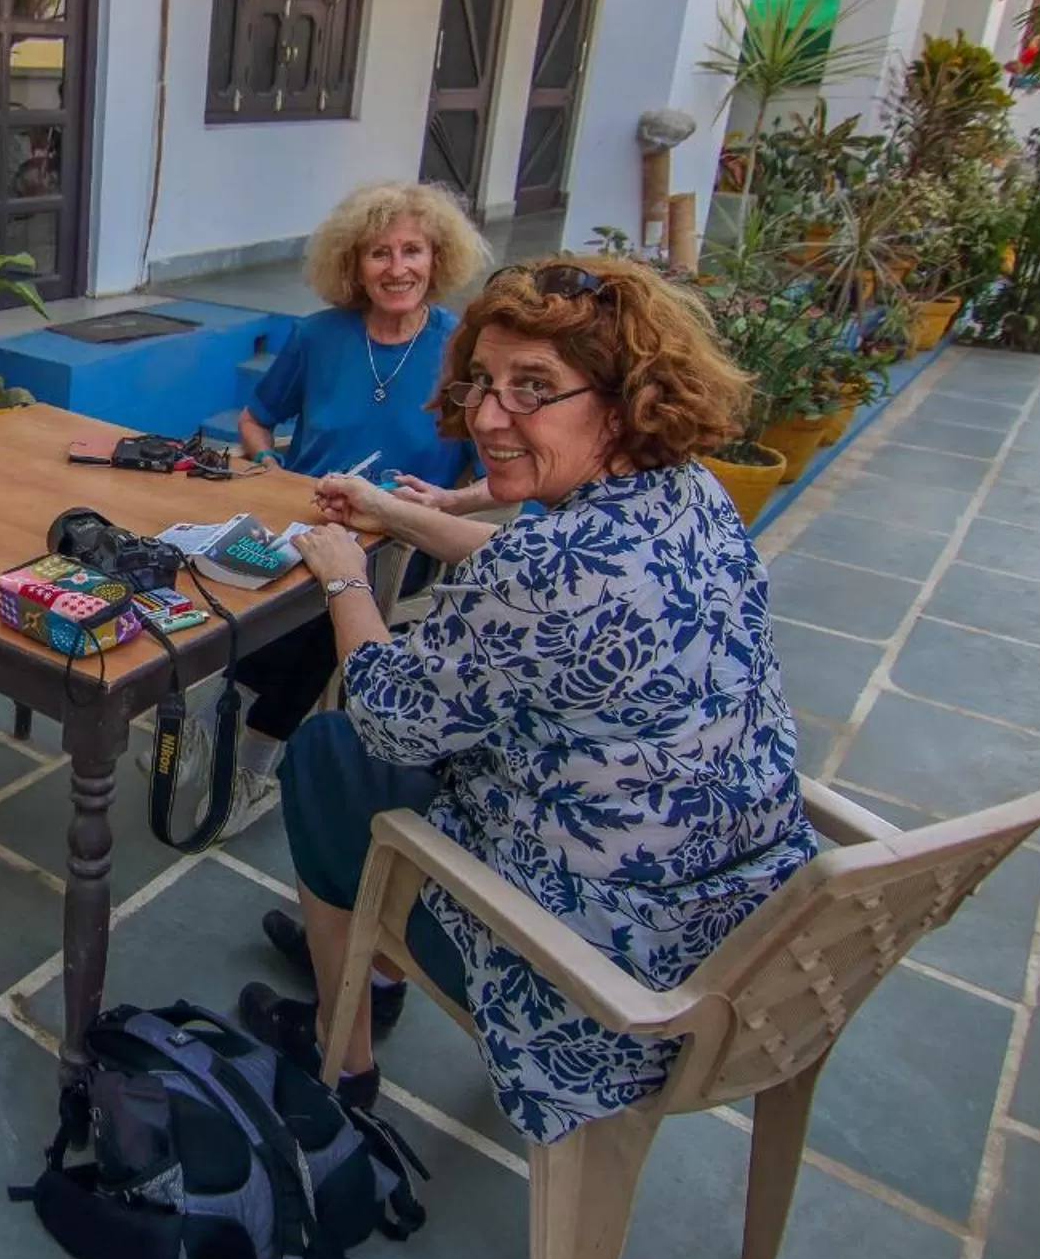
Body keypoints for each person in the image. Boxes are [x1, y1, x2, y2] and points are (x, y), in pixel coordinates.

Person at [239, 257, 818, 1144]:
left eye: (534, 387)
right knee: (408, 761)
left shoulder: (544, 568)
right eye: (483, 382)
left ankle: (341, 1049)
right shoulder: (693, 494)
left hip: (599, 983)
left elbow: (390, 715)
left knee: (332, 754)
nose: (487, 415)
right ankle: (369, 961)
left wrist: (345, 576)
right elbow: (552, 581)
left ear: (623, 400)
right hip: (740, 931)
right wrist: (399, 517)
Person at [215, 183, 489, 814]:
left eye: (412, 250)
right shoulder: (318, 336)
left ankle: (249, 756)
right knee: (225, 572)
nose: (398, 269)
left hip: (402, 537)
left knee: (326, 596)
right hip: (303, 516)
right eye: (379, 253)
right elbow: (256, 421)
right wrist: (271, 467)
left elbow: (496, 479)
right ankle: (224, 726)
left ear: (438, 257)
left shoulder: (463, 349)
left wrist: (446, 503)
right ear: (353, 264)